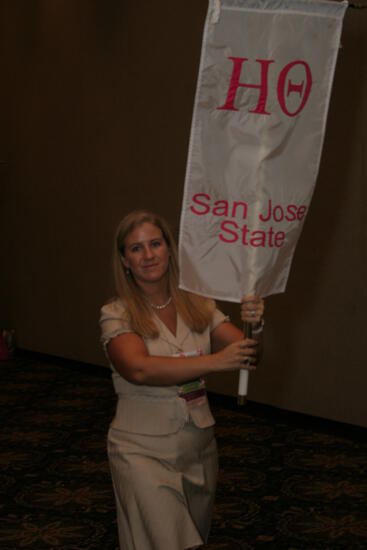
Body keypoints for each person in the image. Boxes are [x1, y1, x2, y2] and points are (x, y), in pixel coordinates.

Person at [99, 210, 264, 550]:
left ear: (170, 249)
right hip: (141, 450)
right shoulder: (116, 312)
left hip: (198, 447)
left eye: (155, 244)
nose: (148, 255)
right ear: (125, 261)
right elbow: (139, 369)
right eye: (136, 249)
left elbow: (247, 353)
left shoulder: (199, 304)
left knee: (190, 539)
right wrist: (216, 362)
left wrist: (255, 325)